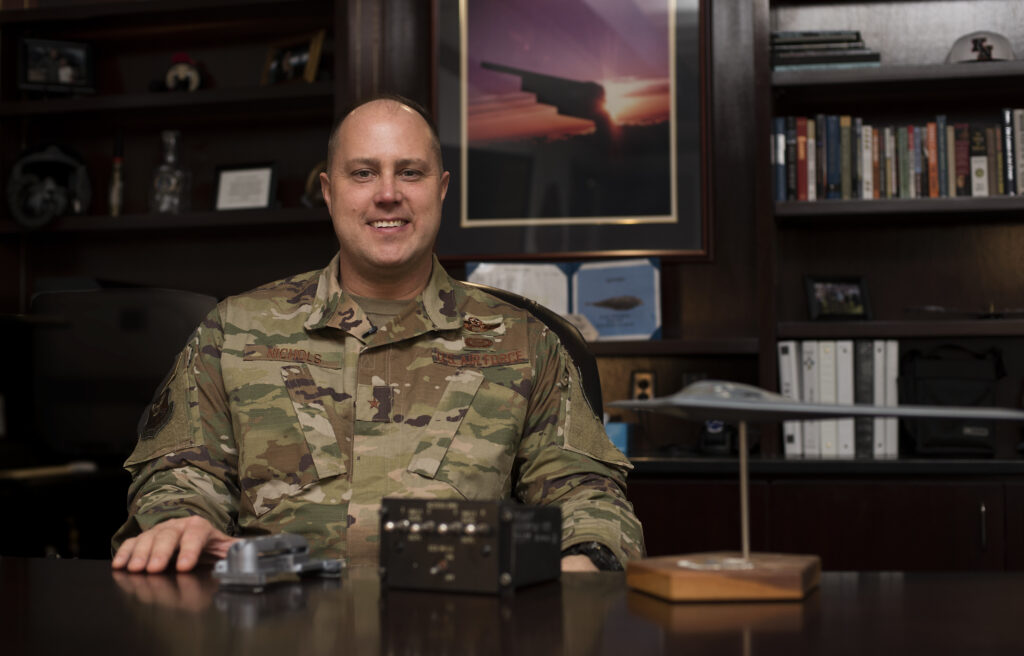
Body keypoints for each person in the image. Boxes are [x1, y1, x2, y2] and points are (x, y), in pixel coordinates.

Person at [111, 94, 645, 574]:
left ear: (441, 189)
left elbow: (587, 495)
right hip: (274, 622)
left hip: (464, 624)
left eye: (410, 172)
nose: (387, 194)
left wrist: (585, 559)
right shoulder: (234, 330)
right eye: (363, 173)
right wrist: (178, 521)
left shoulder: (524, 341)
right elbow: (180, 475)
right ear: (329, 191)